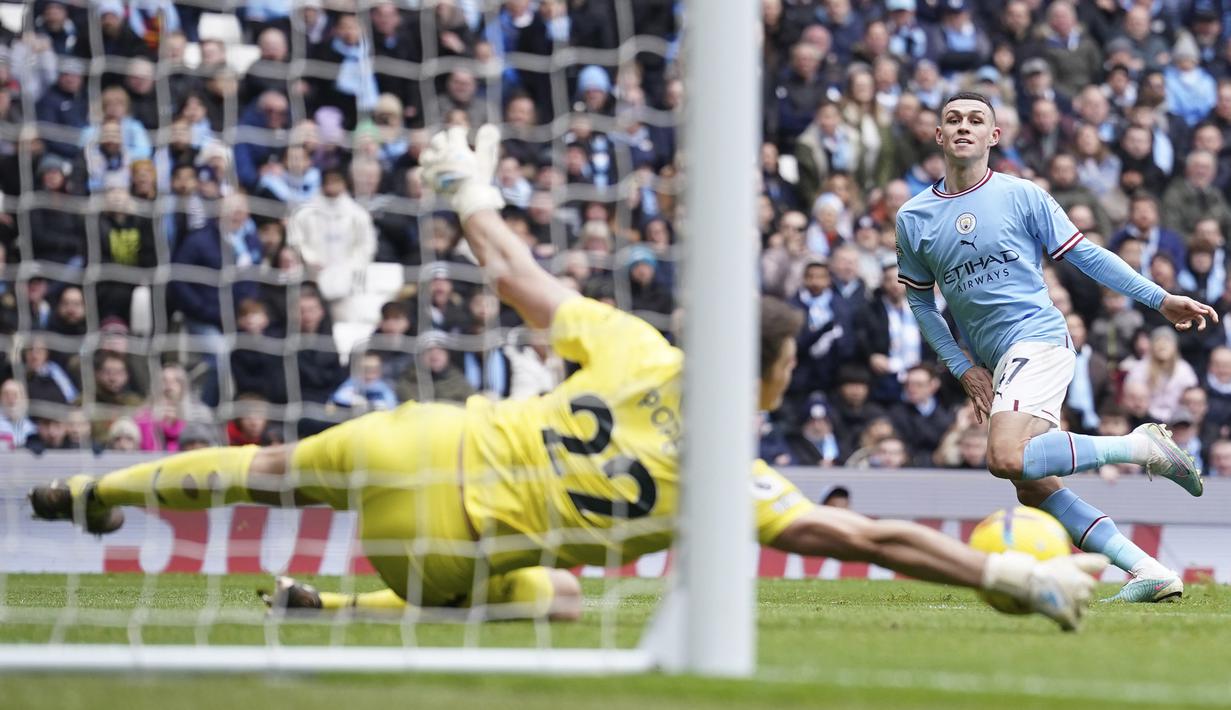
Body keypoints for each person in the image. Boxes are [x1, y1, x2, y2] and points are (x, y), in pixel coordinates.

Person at [29, 125, 1107, 631]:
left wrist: (462, 181)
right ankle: (346, 601)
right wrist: (1005, 577)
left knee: (268, 467)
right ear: (775, 373)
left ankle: (94, 492)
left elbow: (515, 271)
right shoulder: (732, 481)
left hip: (424, 440)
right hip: (438, 556)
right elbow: (873, 540)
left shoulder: (642, 346)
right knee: (556, 592)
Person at [895, 92, 1217, 603]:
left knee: (1004, 457)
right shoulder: (914, 217)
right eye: (952, 119)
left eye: (975, 120)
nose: (963, 127)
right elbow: (920, 305)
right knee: (1031, 481)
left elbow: (1086, 256)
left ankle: (1141, 447)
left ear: (993, 137)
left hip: (1040, 338)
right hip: (999, 362)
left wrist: (1159, 299)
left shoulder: (1022, 195)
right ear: (937, 135)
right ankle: (1147, 569)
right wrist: (962, 367)